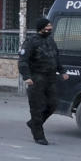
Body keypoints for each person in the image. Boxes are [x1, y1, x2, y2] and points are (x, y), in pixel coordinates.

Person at [18, 17, 69, 145]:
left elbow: (56, 57)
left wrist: (62, 71)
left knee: (53, 104)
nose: (50, 28)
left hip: (50, 78)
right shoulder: (31, 41)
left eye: (50, 26)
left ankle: (34, 123)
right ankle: (38, 135)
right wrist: (26, 77)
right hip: (36, 78)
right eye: (48, 26)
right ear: (41, 28)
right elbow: (23, 61)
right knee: (37, 107)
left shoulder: (51, 41)